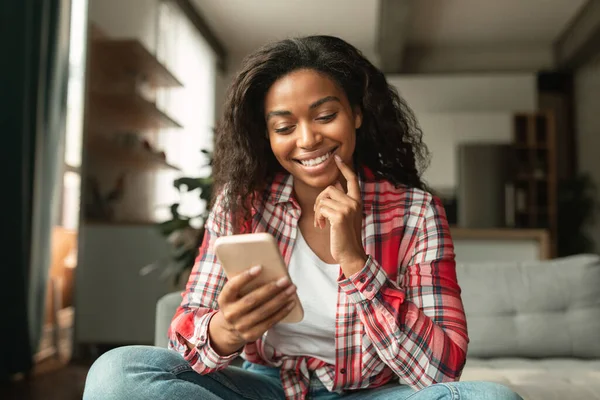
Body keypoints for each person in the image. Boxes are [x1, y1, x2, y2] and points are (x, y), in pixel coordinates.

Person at [83, 35, 523, 400]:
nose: (308, 139)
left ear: (355, 114)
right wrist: (226, 328)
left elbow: (442, 370)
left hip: (375, 393)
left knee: (493, 399)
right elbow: (186, 339)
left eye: (325, 116)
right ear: (267, 136)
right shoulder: (243, 203)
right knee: (118, 373)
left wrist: (356, 262)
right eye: (284, 126)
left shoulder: (414, 211)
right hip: (267, 388)